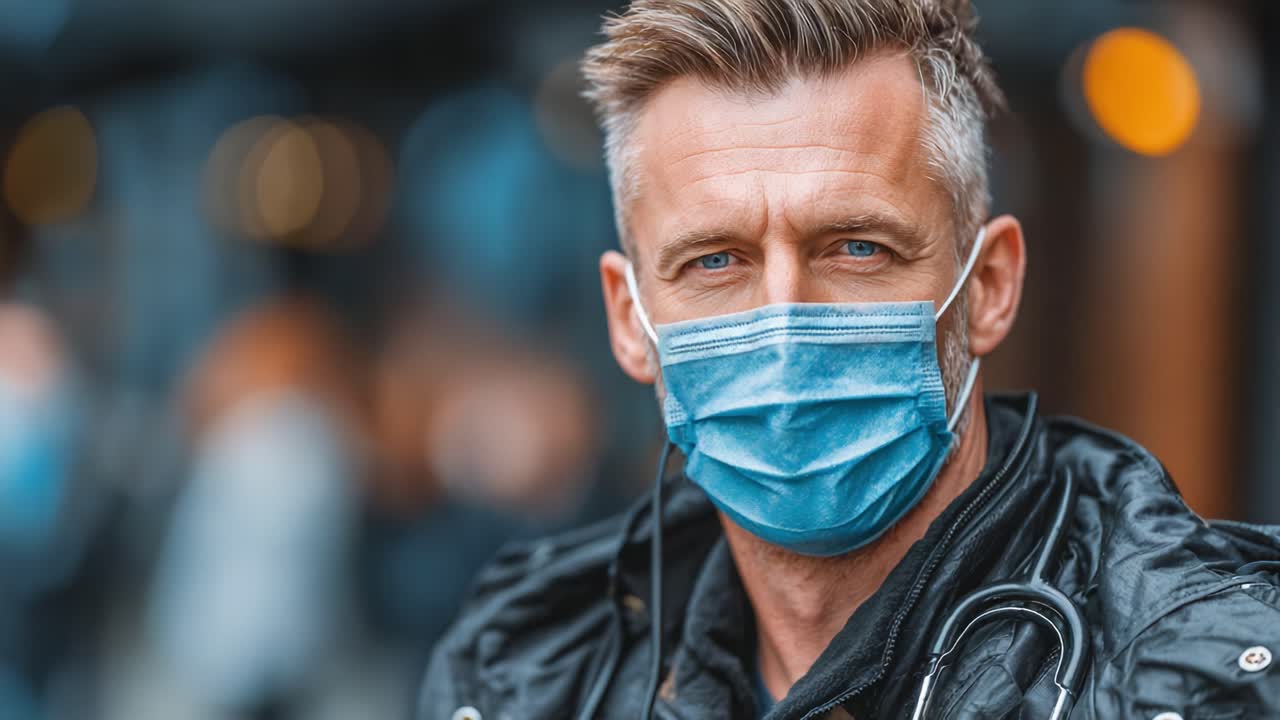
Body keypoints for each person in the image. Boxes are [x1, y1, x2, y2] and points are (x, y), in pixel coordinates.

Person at [418, 1, 1280, 718]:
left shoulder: (1206, 677)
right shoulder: (518, 673)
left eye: (857, 247)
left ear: (988, 286)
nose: (784, 320)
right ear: (629, 319)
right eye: (714, 260)